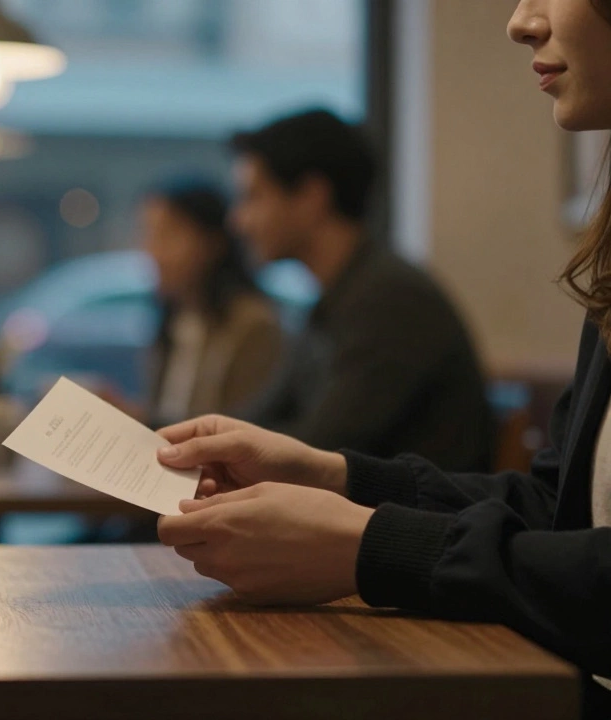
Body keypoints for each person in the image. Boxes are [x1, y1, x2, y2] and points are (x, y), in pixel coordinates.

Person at [156, 1, 611, 713]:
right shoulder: (604, 273)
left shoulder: (387, 301)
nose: (521, 22)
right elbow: (564, 513)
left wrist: (369, 541)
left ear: (312, 197)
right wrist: (330, 475)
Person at [230, 108, 495, 471]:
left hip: (406, 523)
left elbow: (318, 449)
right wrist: (153, 435)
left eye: (253, 197)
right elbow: (258, 421)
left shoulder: (391, 301)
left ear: (312, 196)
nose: (239, 221)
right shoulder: (341, 296)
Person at [141, 180, 282, 425]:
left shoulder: (252, 325)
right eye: (150, 235)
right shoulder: (175, 318)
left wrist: (139, 419)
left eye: (169, 235)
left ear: (212, 243)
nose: (154, 252)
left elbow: (243, 431)